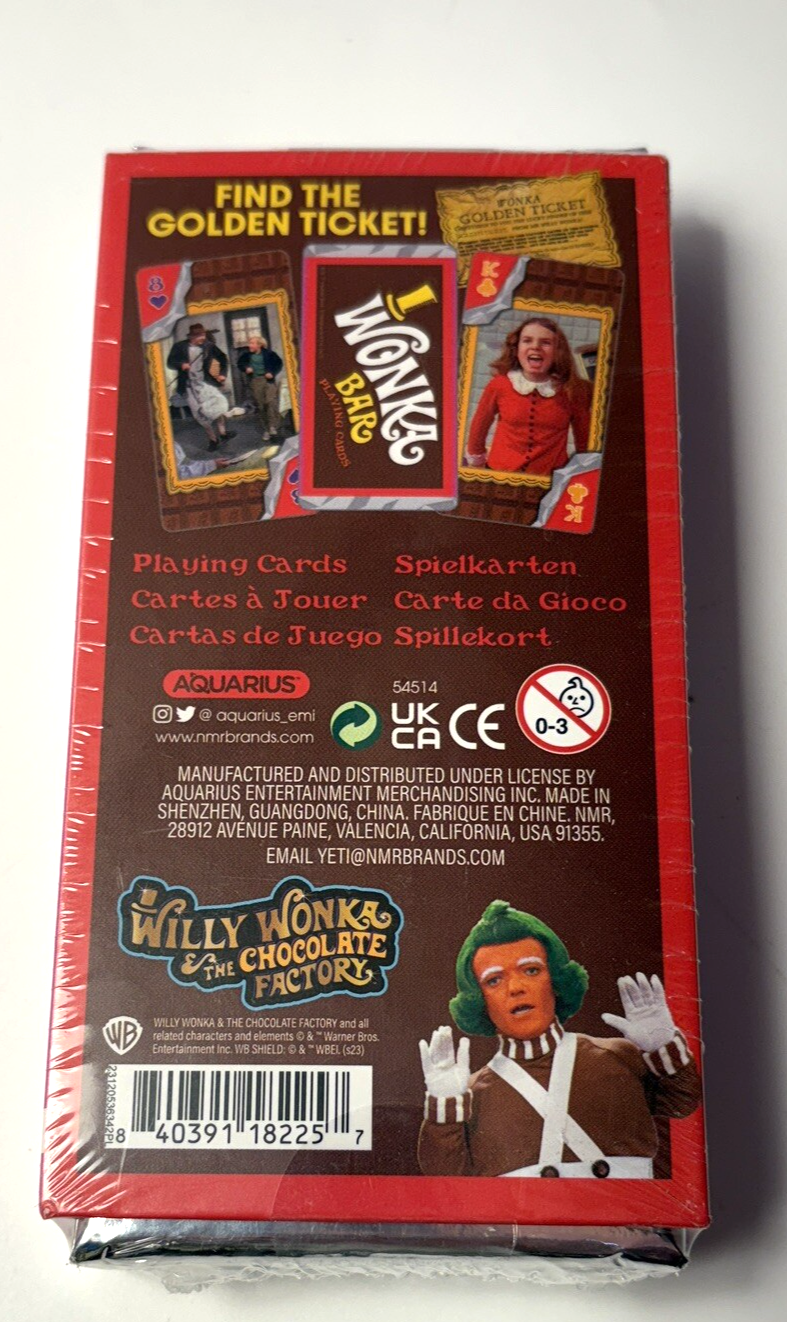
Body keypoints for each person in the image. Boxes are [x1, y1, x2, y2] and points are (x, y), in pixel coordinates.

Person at [417, 900, 700, 1179]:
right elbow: (444, 1176)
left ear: (555, 980)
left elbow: (683, 1103)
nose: (516, 988)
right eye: (494, 980)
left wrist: (663, 1047)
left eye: (531, 970)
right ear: (479, 1001)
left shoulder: (617, 1055)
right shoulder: (471, 1095)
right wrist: (445, 1105)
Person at [465, 318, 593, 520]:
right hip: (498, 475)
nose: (536, 347)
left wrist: (583, 477)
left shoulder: (574, 390)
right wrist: (476, 466)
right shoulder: (499, 385)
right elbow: (479, 427)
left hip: (549, 482)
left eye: (545, 342)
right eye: (527, 340)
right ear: (516, 349)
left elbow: (584, 441)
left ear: (557, 351)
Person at [167, 324, 244, 451]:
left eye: (204, 335)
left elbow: (222, 358)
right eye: (200, 336)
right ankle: (213, 439)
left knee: (218, 404)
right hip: (189, 386)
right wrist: (181, 364)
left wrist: (222, 374)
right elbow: (170, 362)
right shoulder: (179, 346)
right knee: (199, 413)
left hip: (205, 383)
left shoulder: (208, 346)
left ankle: (223, 433)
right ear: (192, 337)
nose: (203, 339)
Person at [237, 334, 283, 441]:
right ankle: (266, 429)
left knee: (270, 402)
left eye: (252, 343)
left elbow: (279, 363)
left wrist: (272, 372)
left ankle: (272, 426)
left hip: (268, 381)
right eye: (249, 343)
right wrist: (246, 368)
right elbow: (240, 364)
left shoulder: (269, 354)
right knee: (261, 406)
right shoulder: (246, 355)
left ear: (259, 345)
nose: (249, 345)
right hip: (255, 381)